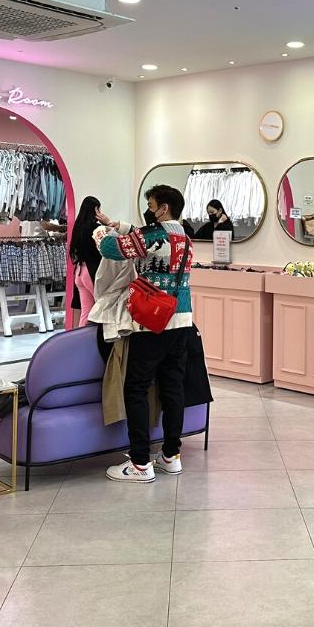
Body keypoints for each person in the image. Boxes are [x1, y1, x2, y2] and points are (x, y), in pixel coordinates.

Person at [97, 184, 193, 483]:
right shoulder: (185, 236)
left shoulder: (153, 236)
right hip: (183, 320)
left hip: (152, 322)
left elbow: (111, 250)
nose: (149, 210)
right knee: (172, 388)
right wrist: (121, 226)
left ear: (162, 208)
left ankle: (140, 463)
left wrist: (101, 234)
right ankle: (171, 456)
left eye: (151, 205)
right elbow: (142, 237)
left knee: (136, 388)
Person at [69, 196, 104, 327]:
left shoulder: (78, 227)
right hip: (92, 272)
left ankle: (81, 342)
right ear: (95, 209)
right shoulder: (97, 229)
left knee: (86, 311)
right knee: (101, 310)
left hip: (80, 271)